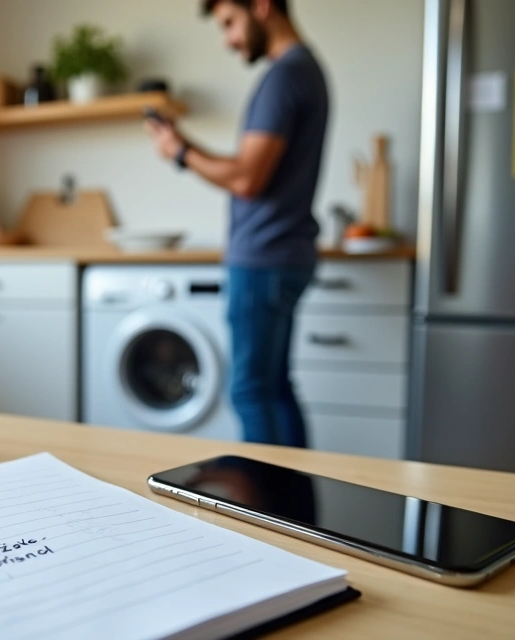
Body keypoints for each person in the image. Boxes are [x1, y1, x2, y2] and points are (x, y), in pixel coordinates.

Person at [145, 0, 328, 447]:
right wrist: (183, 145)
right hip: (285, 253)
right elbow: (253, 170)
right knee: (275, 388)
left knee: (250, 391)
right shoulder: (306, 71)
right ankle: (294, 507)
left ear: (261, 6)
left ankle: (267, 509)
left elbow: (247, 178)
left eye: (230, 22)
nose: (228, 39)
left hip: (264, 258)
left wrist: (180, 155)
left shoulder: (285, 76)